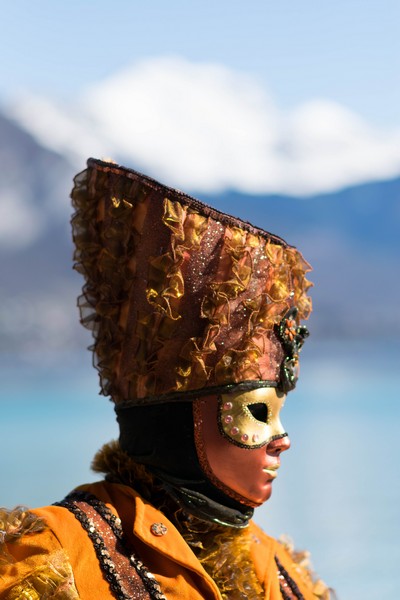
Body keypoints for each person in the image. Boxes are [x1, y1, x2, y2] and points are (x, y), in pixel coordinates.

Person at [0, 159, 332, 599]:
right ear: (180, 418)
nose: (282, 438)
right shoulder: (52, 560)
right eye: (257, 411)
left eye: (278, 412)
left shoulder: (284, 572)